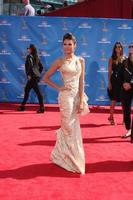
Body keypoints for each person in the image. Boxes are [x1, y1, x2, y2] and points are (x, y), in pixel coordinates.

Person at [44, 33, 89, 174]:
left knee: (74, 128)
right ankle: (64, 157)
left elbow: (82, 82)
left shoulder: (81, 60)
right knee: (68, 127)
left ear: (75, 45)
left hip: (76, 97)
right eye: (65, 44)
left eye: (70, 44)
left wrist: (81, 100)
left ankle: (70, 157)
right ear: (62, 45)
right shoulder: (59, 61)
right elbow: (46, 78)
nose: (67, 47)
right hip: (65, 98)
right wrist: (59, 87)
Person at [18, 44, 45, 113]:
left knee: (38, 92)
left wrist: (30, 74)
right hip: (35, 77)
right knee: (27, 90)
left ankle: (42, 108)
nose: (28, 49)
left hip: (32, 77)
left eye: (28, 48)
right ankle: (22, 106)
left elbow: (31, 66)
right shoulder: (37, 57)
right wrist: (38, 74)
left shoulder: (29, 56)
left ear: (31, 49)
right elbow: (41, 67)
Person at [107, 42, 125, 125]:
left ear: (121, 48)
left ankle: (125, 119)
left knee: (123, 101)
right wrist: (109, 83)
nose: (118, 48)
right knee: (113, 100)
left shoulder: (125, 58)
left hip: (122, 81)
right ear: (114, 49)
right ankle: (111, 117)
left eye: (120, 47)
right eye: (117, 47)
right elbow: (109, 71)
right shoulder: (111, 58)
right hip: (114, 81)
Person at [120, 43, 133, 141]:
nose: (131, 48)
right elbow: (120, 75)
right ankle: (129, 129)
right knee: (126, 110)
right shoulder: (124, 62)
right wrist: (124, 83)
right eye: (130, 47)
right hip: (125, 89)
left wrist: (131, 85)